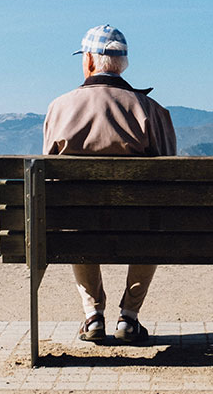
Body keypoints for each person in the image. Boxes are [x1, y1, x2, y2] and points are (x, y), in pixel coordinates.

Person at [43, 24, 176, 343]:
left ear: (89, 61)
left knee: (73, 221)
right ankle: (129, 317)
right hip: (138, 224)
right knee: (152, 223)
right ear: (122, 64)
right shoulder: (151, 111)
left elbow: (47, 176)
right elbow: (171, 173)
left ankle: (93, 316)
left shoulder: (60, 107)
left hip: (80, 225)